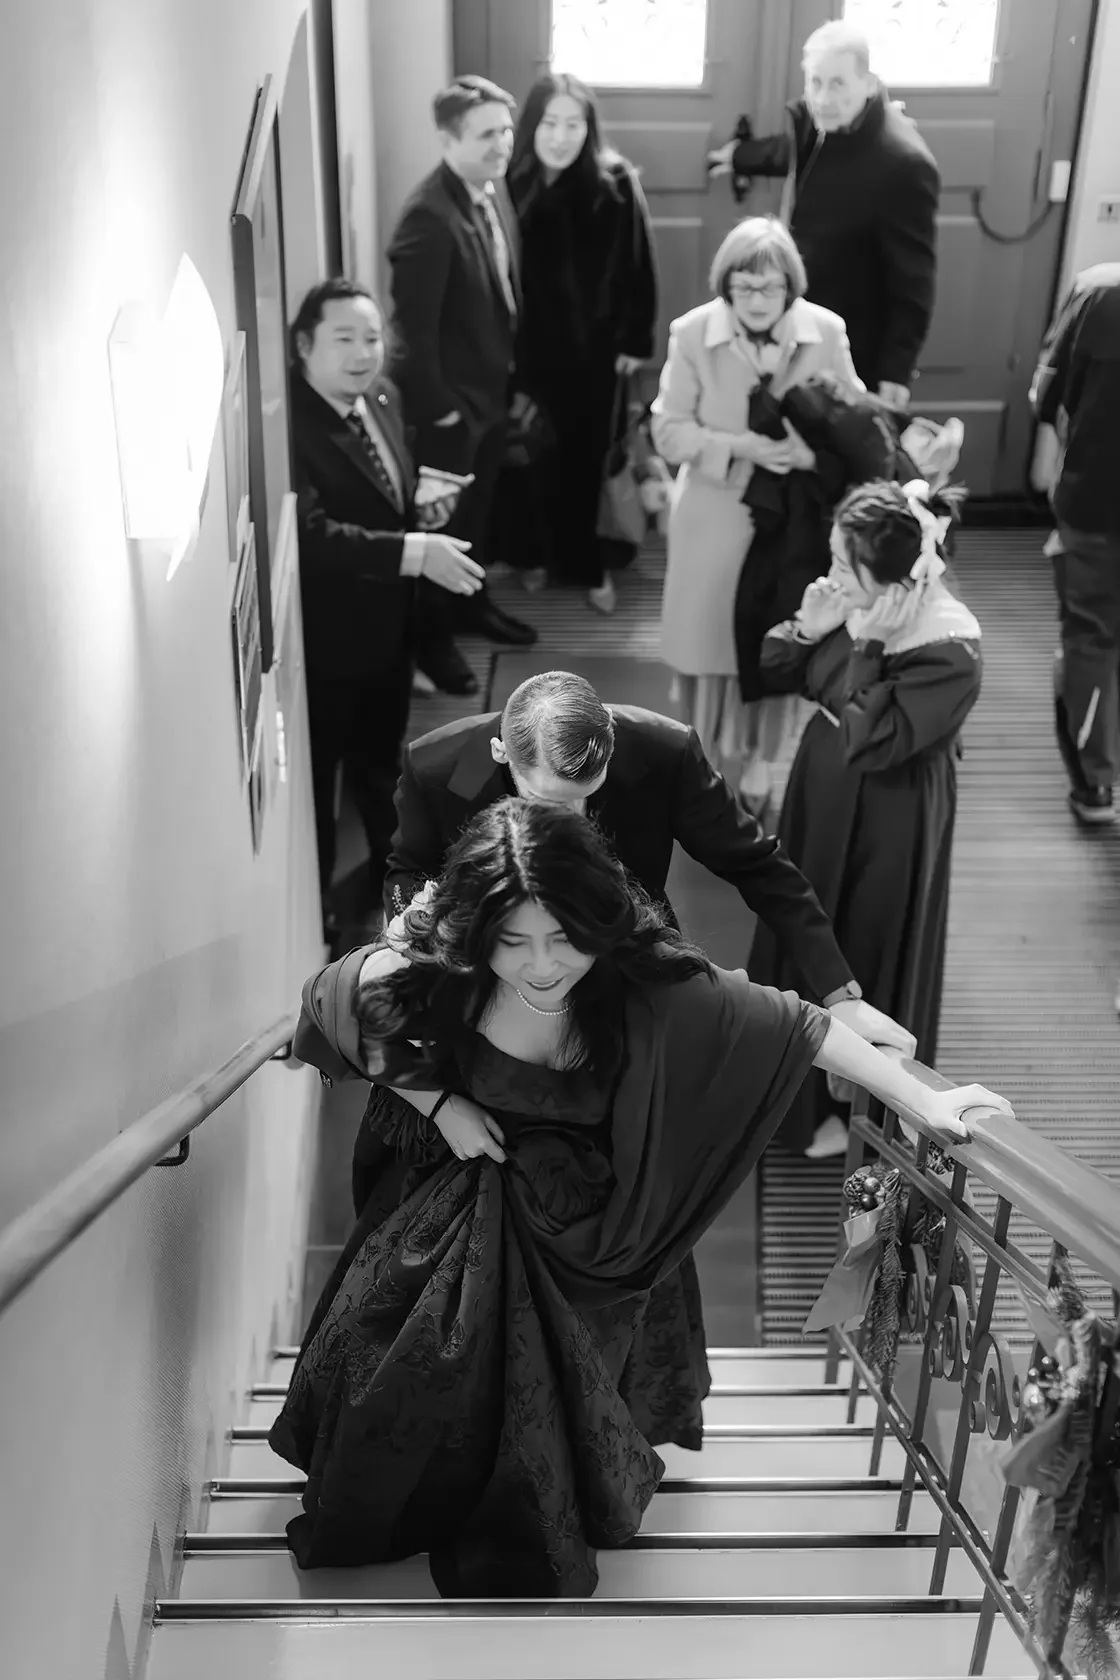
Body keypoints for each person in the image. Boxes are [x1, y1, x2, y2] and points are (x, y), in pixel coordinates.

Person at [271, 798, 1011, 1596]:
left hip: (595, 1219)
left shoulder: (641, 972)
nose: (542, 964)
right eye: (512, 942)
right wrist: (438, 1103)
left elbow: (791, 1025)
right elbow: (337, 1001)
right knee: (407, 1374)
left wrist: (918, 1100)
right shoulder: (441, 966)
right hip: (469, 1200)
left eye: (563, 937)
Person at [751, 479, 982, 1159]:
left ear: (894, 578)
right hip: (822, 787)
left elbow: (871, 737)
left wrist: (865, 650)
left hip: (893, 814)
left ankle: (856, 1107)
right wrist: (813, 625)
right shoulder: (854, 607)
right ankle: (787, 1096)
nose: (831, 575)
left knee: (867, 938)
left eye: (844, 565)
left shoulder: (950, 648)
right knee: (803, 918)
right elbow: (774, 664)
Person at [289, 279, 485, 940]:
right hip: (328, 638)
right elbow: (312, 536)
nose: (362, 353)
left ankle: (400, 900)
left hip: (388, 631)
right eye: (343, 339)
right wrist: (414, 549)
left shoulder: (382, 395)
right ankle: (318, 920)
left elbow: (381, 487)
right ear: (304, 346)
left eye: (371, 338)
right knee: (321, 786)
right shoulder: (289, 423)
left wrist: (417, 500)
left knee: (384, 770)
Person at [652, 216, 864, 812]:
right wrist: (739, 447)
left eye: (769, 288)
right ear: (726, 286)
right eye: (743, 288)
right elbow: (668, 431)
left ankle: (762, 761)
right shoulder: (691, 333)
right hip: (715, 513)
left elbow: (855, 424)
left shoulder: (827, 330)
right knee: (712, 645)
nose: (756, 300)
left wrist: (807, 454)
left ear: (789, 287)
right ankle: (704, 761)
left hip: (793, 519)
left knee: (780, 636)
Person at [387, 73, 537, 697]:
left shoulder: (488, 190)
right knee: (441, 532)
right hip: (452, 412)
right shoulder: (428, 219)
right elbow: (412, 336)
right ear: (449, 139)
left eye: (506, 131)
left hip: (490, 395)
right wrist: (445, 414)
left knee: (477, 518)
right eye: (487, 135)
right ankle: (432, 641)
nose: (503, 144)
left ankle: (473, 607)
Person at [707, 19, 939, 405]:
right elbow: (799, 153)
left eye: (837, 83)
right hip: (793, 321)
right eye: (814, 82)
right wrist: (741, 156)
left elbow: (914, 282)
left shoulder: (905, 165)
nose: (823, 97)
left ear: (868, 84)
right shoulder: (822, 120)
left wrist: (896, 370)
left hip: (850, 341)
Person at [505, 71, 657, 615]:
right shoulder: (510, 180)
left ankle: (590, 564)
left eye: (574, 124)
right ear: (532, 126)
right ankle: (537, 556)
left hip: (595, 354)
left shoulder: (613, 182)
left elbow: (641, 265)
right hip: (528, 353)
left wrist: (635, 340)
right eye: (550, 123)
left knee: (588, 462)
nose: (561, 136)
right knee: (532, 460)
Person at [1029, 263, 1120, 826]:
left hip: (1095, 507)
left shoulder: (1100, 294)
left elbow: (1046, 397)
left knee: (1091, 638)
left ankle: (1096, 785)